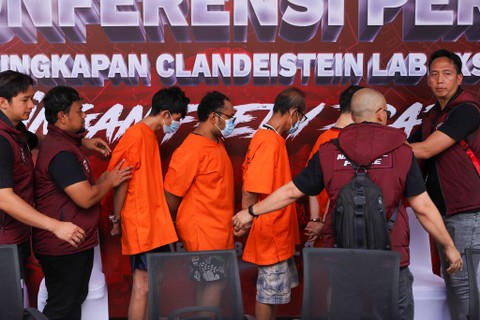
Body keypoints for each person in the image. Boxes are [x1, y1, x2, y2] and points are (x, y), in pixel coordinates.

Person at [233, 88, 463, 320]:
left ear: (352, 115)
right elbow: (423, 206)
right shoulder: (402, 153)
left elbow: (292, 191)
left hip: (343, 257)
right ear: (381, 114)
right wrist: (449, 246)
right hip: (390, 257)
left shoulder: (329, 151)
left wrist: (251, 211)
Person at [32, 85, 133, 320]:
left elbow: (81, 191)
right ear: (62, 116)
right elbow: (86, 198)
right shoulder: (61, 153)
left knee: (73, 301)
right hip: (64, 246)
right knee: (61, 306)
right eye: (79, 111)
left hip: (74, 243)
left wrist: (103, 178)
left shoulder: (67, 144)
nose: (84, 115)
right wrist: (110, 181)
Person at [408, 49, 480, 320]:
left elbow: (424, 150)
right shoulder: (432, 116)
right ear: (428, 80)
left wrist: (381, 147)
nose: (440, 80)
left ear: (459, 78)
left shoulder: (466, 111)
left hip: (468, 211)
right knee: (451, 279)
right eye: (434, 74)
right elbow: (408, 146)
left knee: (464, 284)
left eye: (447, 74)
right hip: (443, 212)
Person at [108, 86, 189, 320]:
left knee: (152, 281)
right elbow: (120, 181)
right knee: (142, 285)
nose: (177, 123)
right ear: (164, 114)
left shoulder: (149, 136)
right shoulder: (135, 136)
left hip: (153, 223)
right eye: (176, 118)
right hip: (141, 223)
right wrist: (116, 219)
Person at [0, 71, 87, 279]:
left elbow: (38, 140)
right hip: (4, 243)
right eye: (25, 100)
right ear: (3, 102)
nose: (32, 105)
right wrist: (55, 226)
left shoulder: (16, 130)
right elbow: (4, 198)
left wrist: (83, 142)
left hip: (18, 237)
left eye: (32, 98)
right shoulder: (1, 141)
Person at [164, 91, 236, 313]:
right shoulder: (190, 150)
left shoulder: (216, 140)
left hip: (219, 231)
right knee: (215, 283)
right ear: (214, 117)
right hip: (204, 234)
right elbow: (171, 195)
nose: (233, 121)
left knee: (207, 284)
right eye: (230, 116)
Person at [237, 87, 305, 320]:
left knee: (274, 294)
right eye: (300, 116)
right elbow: (250, 188)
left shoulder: (270, 138)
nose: (298, 122)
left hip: (277, 230)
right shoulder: (269, 141)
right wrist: (245, 219)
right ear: (293, 112)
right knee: (267, 294)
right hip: (271, 231)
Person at [304, 85, 362, 246]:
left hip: (327, 228)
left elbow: (311, 184)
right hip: (338, 229)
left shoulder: (323, 138)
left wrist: (316, 220)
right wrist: (321, 223)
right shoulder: (351, 141)